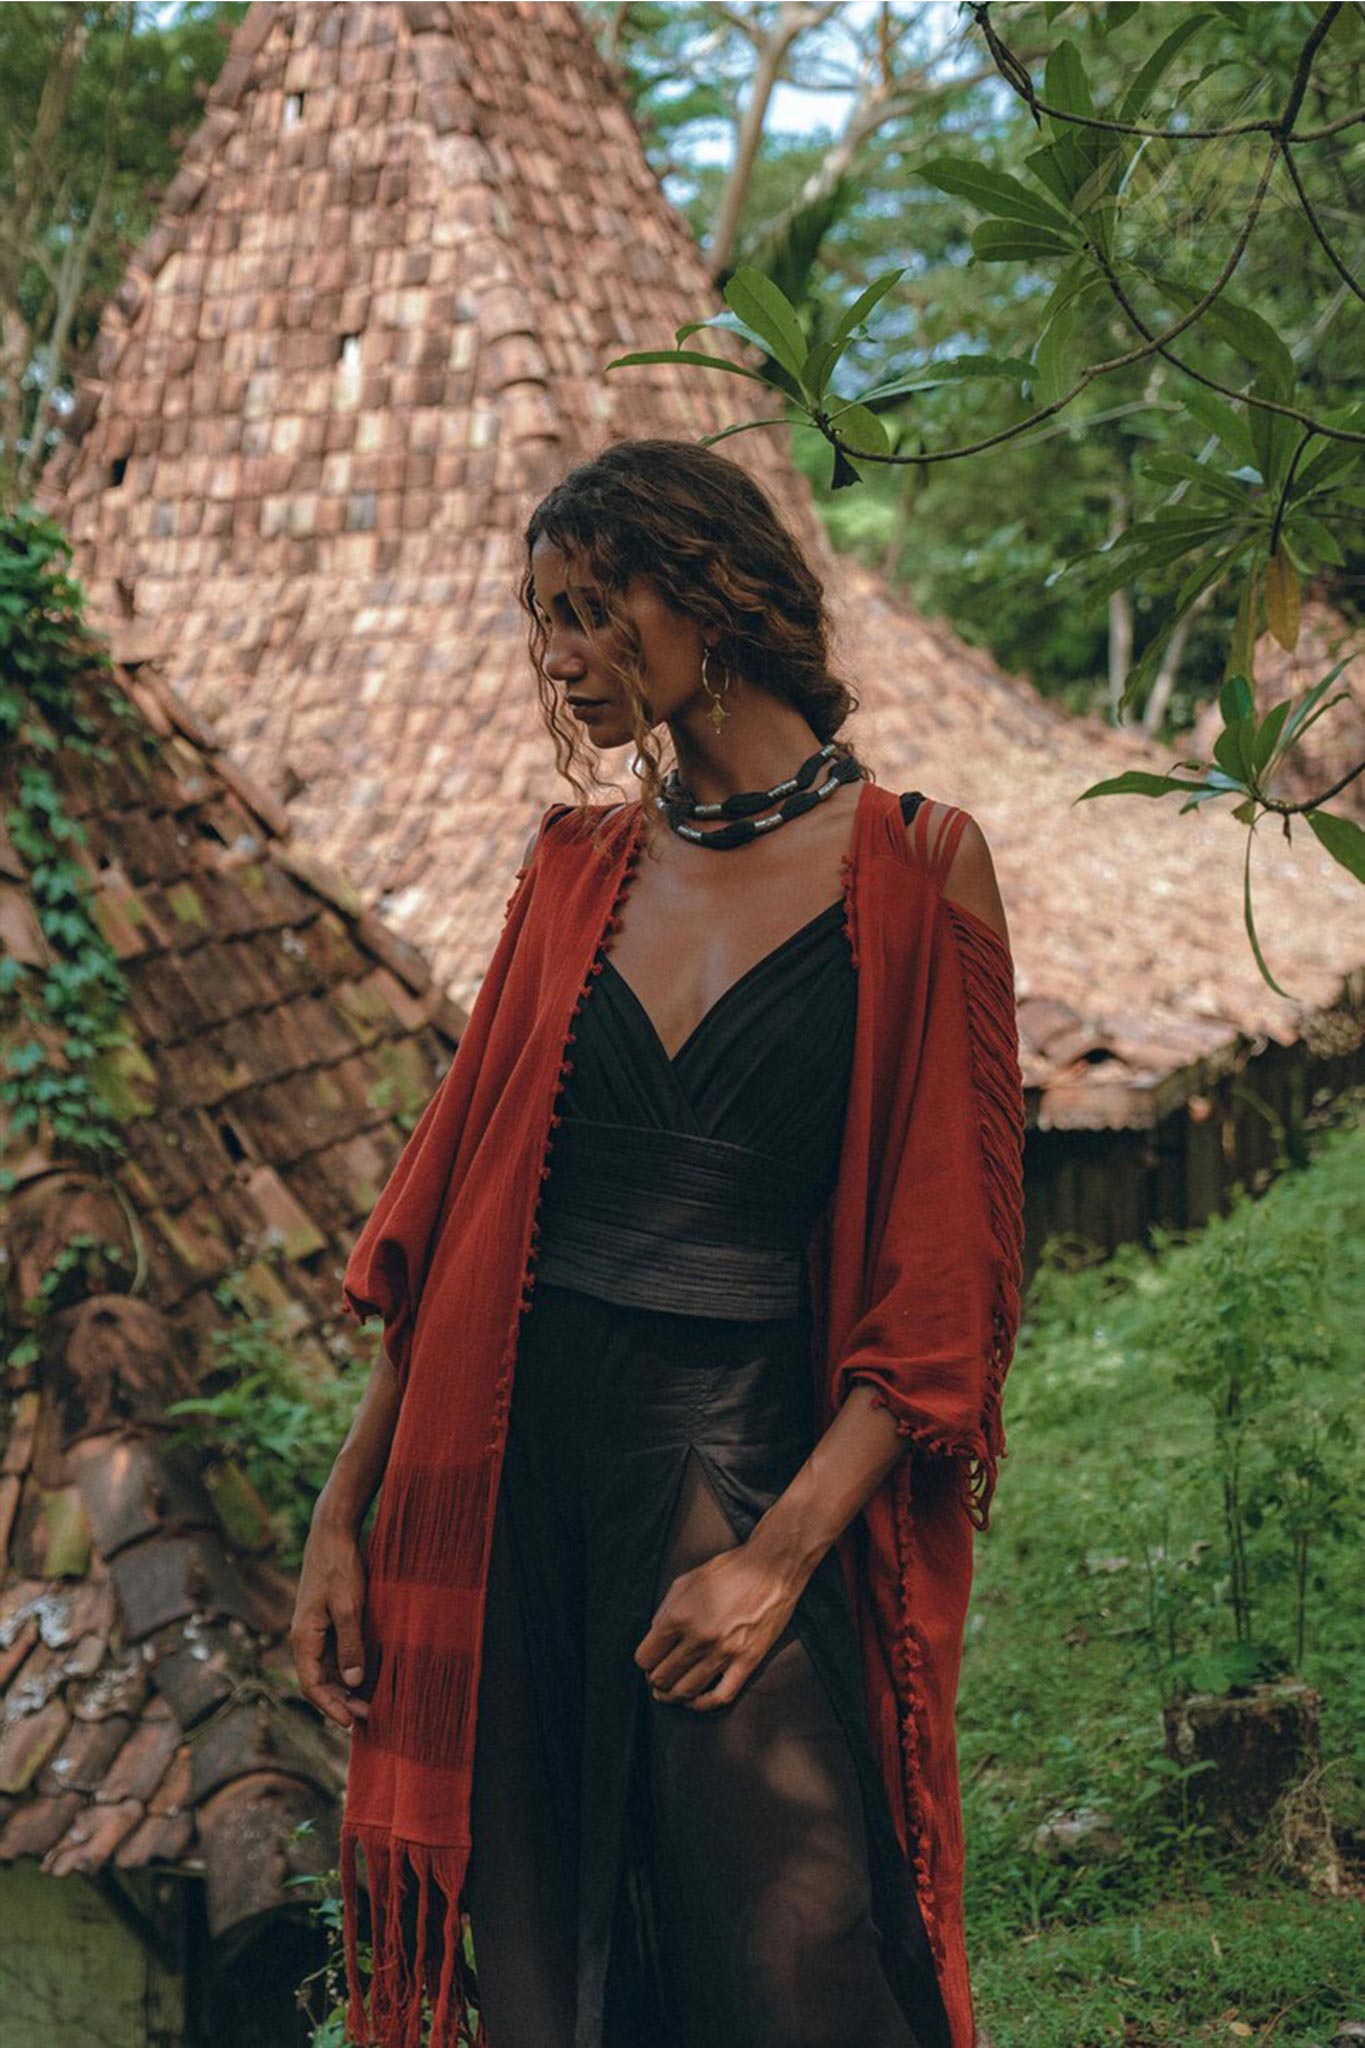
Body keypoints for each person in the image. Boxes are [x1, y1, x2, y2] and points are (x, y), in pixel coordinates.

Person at [291, 438, 1025, 2048]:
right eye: (538, 616)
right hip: (508, 1466)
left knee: (797, 1949)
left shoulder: (912, 868)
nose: (556, 653)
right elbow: (459, 1223)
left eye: (590, 606)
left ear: (711, 588)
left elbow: (947, 1283)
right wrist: (345, 1510)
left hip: (741, 1452)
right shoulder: (572, 873)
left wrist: (775, 1556)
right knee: (547, 1965)